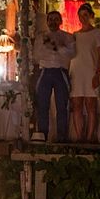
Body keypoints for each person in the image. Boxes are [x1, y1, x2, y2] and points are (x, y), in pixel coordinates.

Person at [33, 10, 75, 142]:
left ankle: (62, 137)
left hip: (60, 71)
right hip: (45, 71)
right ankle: (42, 135)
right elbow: (37, 56)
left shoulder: (67, 37)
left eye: (56, 19)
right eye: (50, 19)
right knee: (42, 105)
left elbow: (71, 53)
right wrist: (55, 51)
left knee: (61, 106)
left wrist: (57, 48)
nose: (53, 22)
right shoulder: (41, 37)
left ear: (60, 21)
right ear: (47, 21)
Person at [69, 3, 100, 142]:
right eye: (80, 15)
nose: (83, 18)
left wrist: (97, 73)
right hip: (76, 72)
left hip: (90, 71)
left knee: (91, 105)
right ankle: (79, 137)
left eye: (85, 15)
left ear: (91, 16)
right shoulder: (74, 35)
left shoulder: (97, 33)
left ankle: (90, 137)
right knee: (77, 105)